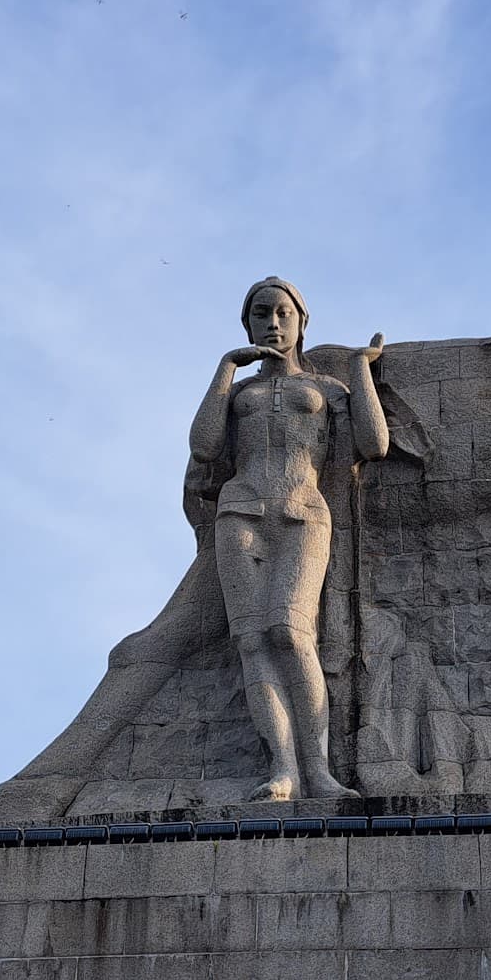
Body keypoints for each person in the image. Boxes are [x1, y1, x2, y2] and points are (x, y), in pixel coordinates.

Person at [188, 277, 387, 800]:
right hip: (241, 513)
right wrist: (226, 370)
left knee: (290, 634)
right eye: (260, 314)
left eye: (282, 313)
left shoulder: (325, 390)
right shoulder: (239, 394)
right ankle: (283, 770)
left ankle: (318, 771)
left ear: (301, 322)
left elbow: (375, 443)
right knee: (253, 641)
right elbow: (205, 447)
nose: (272, 324)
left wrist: (360, 370)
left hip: (302, 513)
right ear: (248, 323)